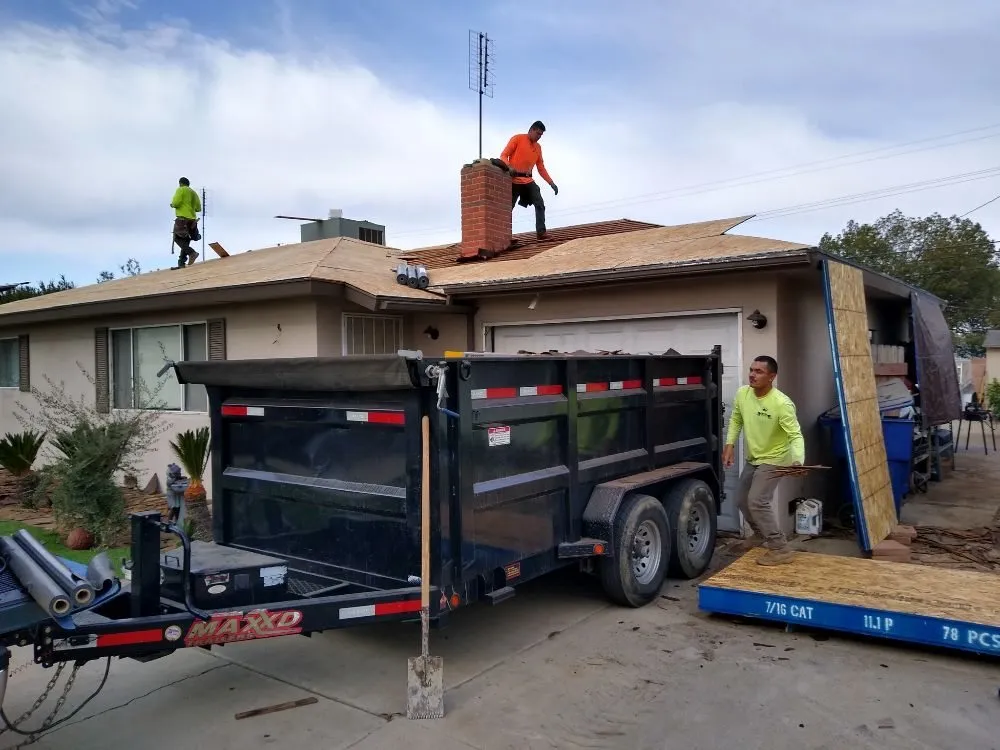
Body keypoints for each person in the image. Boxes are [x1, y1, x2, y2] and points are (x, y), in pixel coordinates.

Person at [722, 355, 805, 566]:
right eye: (751, 369)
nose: (752, 374)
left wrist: (797, 460)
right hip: (755, 457)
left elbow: (795, 435)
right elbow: (736, 419)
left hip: (777, 458)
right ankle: (760, 534)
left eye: (759, 371)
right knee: (741, 499)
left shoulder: (782, 403)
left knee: (757, 501)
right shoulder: (743, 394)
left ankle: (780, 548)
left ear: (772, 377)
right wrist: (729, 445)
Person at [500, 121, 558, 239]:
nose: (539, 137)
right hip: (514, 179)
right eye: (537, 134)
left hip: (528, 180)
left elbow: (541, 168)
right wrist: (509, 167)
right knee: (508, 208)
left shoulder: (538, 147)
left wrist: (551, 182)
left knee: (540, 203)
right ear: (531, 130)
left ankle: (541, 233)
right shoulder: (517, 139)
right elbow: (503, 155)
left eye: (541, 135)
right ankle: (503, 237)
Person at [171, 177, 202, 268]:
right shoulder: (193, 193)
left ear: (180, 183)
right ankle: (181, 263)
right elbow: (198, 208)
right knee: (185, 240)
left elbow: (176, 203)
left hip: (182, 219)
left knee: (177, 238)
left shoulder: (181, 189)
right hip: (192, 220)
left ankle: (192, 253)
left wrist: (172, 205)